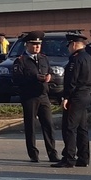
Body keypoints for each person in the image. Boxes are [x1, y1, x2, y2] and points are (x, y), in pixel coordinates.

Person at [12, 31, 59, 163]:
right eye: (34, 44)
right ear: (27, 45)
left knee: (48, 125)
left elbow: (49, 72)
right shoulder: (20, 60)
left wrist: (50, 77)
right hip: (29, 96)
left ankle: (52, 153)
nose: (37, 47)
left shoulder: (43, 58)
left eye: (39, 44)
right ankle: (33, 153)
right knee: (31, 126)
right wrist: (34, 77)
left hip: (43, 95)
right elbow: (17, 79)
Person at [52, 33, 91, 168]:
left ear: (74, 45)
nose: (69, 48)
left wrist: (66, 97)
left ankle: (69, 158)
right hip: (86, 95)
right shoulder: (88, 57)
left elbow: (72, 81)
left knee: (69, 127)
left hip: (76, 96)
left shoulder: (75, 59)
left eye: (69, 45)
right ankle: (83, 157)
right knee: (82, 128)